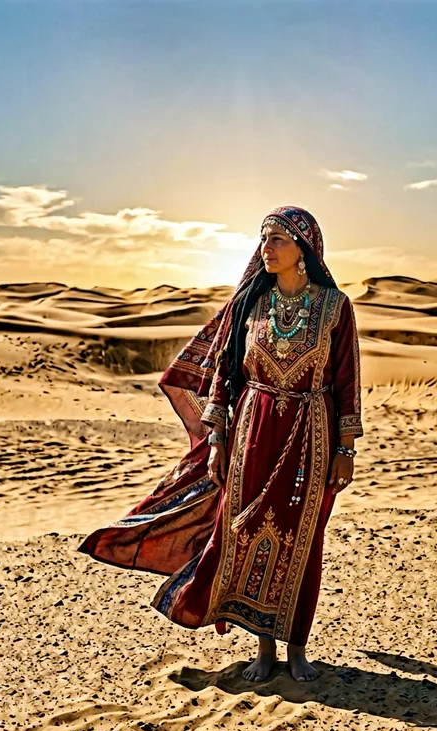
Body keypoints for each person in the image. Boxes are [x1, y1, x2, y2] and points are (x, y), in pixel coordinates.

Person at [77, 206, 363, 682]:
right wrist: (216, 441)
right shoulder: (249, 304)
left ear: (303, 250)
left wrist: (345, 450)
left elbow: (347, 380)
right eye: (264, 239)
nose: (266, 249)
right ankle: (264, 648)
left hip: (311, 434)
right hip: (252, 432)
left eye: (277, 239)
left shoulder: (336, 307)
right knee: (244, 536)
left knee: (302, 542)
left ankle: (297, 648)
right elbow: (223, 379)